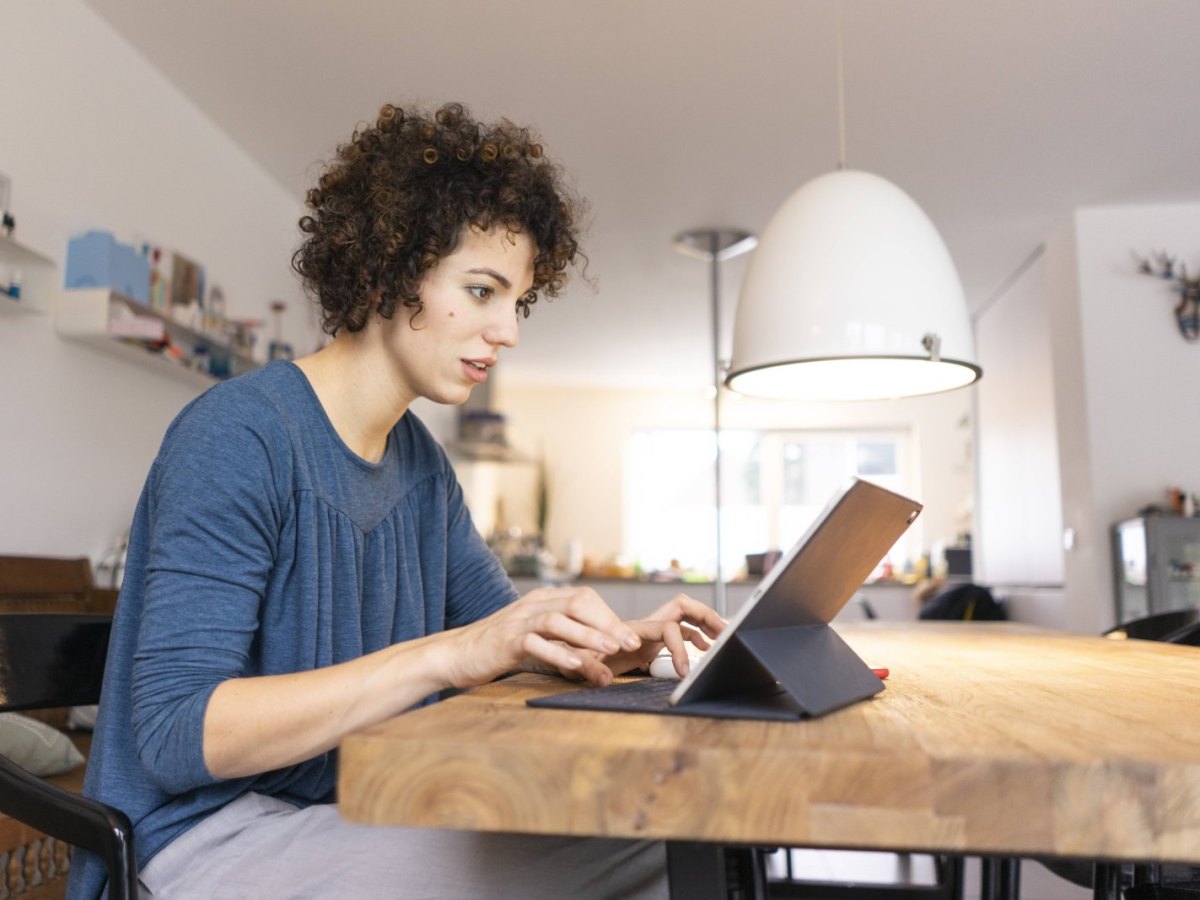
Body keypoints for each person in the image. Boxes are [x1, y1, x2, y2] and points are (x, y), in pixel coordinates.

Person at [68, 102, 724, 900]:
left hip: (350, 805)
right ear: (384, 270)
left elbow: (501, 641)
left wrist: (615, 646)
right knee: (650, 848)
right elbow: (176, 733)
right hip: (206, 834)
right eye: (481, 291)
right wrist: (445, 654)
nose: (508, 330)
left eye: (517, 302)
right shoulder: (237, 436)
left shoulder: (421, 466)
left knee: (676, 831)